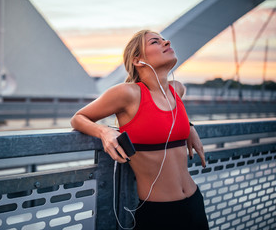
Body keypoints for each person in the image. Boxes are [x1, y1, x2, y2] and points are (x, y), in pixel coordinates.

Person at [70, 29, 209, 229]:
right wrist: (105, 132)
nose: (166, 42)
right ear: (138, 60)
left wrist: (189, 126)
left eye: (164, 39)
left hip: (194, 202)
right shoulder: (127, 93)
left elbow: (163, 120)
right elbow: (78, 118)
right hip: (158, 214)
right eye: (155, 42)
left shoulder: (177, 89)